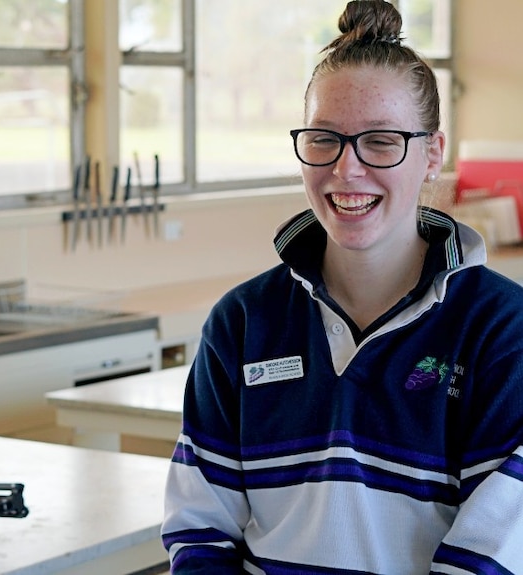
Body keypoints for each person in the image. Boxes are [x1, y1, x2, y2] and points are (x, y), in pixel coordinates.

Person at [161, 1, 523, 573]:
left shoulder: (502, 332)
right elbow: (201, 527)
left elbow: (492, 557)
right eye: (324, 138)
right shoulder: (243, 321)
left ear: (433, 154)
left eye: (380, 141)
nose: (346, 170)